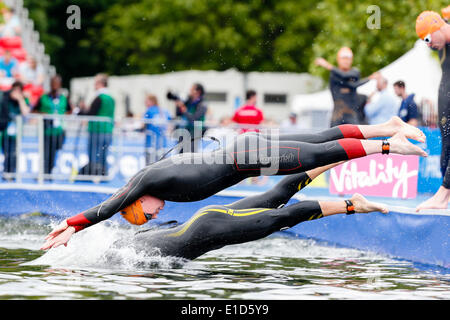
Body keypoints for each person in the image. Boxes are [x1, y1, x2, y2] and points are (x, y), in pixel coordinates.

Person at [40, 116, 427, 250]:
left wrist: (70, 226)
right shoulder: (155, 178)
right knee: (321, 140)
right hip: (242, 153)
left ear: (139, 204)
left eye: (145, 216)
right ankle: (387, 128)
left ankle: (388, 144)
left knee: (317, 153)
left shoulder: (145, 181)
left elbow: (108, 207)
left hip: (243, 156)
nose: (157, 214)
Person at [414, 11, 450, 211]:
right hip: (446, 98)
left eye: (427, 38)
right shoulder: (441, 40)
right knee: (446, 150)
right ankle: (443, 195)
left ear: (437, 27)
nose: (428, 44)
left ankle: (443, 195)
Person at [315, 47, 375, 127]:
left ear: (351, 60)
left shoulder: (354, 72)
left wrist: (327, 65)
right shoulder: (334, 74)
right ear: (338, 60)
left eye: (348, 59)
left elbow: (349, 80)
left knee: (355, 137)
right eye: (343, 58)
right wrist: (368, 78)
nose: (346, 61)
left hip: (351, 114)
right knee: (332, 138)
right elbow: (345, 78)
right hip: (337, 115)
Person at [33, 75, 71, 176]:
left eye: (57, 83)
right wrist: (43, 114)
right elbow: (34, 110)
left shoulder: (63, 98)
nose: (55, 85)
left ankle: (49, 173)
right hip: (46, 130)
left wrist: (63, 116)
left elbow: (69, 110)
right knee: (46, 153)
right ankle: (44, 174)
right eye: (53, 83)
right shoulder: (44, 97)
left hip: (59, 131)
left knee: (54, 152)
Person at [78, 73, 115, 176]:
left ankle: (94, 175)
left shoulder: (99, 97)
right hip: (108, 130)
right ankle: (103, 174)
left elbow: (91, 114)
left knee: (94, 154)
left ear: (100, 83)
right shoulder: (111, 98)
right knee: (103, 155)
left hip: (97, 130)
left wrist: (79, 111)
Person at [0, 81, 29, 177]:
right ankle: (6, 172)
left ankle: (11, 173)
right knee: (6, 152)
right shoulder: (5, 98)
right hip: (5, 130)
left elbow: (25, 112)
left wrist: (20, 99)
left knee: (13, 153)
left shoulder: (23, 99)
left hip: (16, 131)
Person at [174, 83, 208, 153]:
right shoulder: (189, 101)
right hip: (185, 130)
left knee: (192, 154)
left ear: (198, 92)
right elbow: (178, 114)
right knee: (180, 153)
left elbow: (194, 118)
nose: (190, 90)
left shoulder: (202, 104)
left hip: (195, 131)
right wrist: (178, 105)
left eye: (192, 89)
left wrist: (184, 110)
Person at [143, 94, 171, 165]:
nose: (145, 102)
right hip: (163, 144)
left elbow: (143, 125)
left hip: (151, 144)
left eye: (147, 101)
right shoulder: (165, 111)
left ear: (152, 101)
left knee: (149, 167)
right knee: (162, 166)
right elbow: (170, 124)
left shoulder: (149, 111)